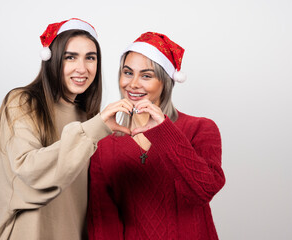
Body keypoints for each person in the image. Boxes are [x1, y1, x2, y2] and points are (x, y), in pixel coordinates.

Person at [0, 18, 131, 240]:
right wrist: (94, 128)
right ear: (51, 60)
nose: (82, 68)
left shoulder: (87, 117)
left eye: (90, 58)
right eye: (70, 57)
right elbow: (29, 172)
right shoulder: (22, 102)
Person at [86, 32, 226, 239]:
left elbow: (203, 191)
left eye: (146, 75)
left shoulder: (201, 129)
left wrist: (163, 132)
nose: (133, 84)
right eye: (127, 72)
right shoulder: (104, 143)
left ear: (165, 82)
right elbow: (103, 223)